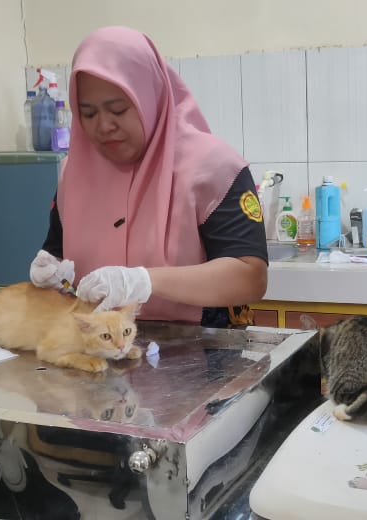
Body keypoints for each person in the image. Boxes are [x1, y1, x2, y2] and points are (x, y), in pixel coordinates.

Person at [28, 26, 268, 327]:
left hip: (201, 347)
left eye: (118, 110)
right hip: (98, 347)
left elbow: (250, 277)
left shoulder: (213, 166)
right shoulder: (74, 172)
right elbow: (59, 257)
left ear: (150, 98)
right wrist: (51, 274)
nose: (103, 126)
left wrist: (143, 281)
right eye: (88, 114)